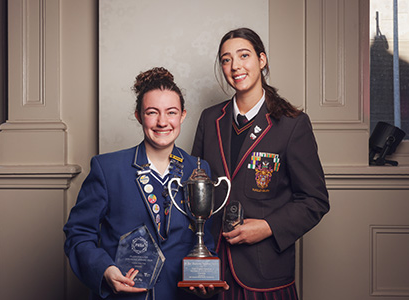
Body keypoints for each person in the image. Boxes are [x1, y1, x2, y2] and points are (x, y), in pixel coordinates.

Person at [191, 28, 330, 300]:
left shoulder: (292, 124)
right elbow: (195, 188)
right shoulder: (210, 119)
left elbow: (315, 200)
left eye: (244, 55)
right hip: (212, 268)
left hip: (265, 273)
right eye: (226, 59)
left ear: (262, 60)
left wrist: (267, 227)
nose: (235, 66)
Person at [64, 67, 220, 300]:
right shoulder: (107, 168)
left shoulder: (198, 169)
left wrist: (204, 280)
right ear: (138, 116)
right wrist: (105, 270)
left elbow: (205, 238)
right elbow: (78, 234)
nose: (162, 122)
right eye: (152, 112)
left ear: (183, 116)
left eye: (171, 112)